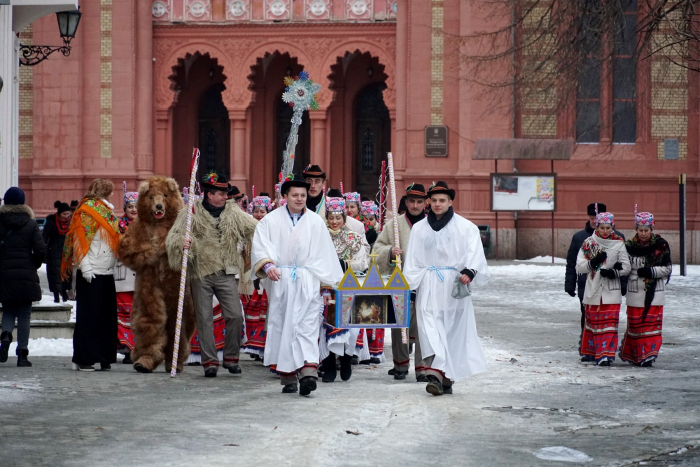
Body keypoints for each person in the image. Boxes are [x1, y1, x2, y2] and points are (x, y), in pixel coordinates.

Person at [251, 174, 343, 396]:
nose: (300, 199)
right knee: (284, 326)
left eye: (303, 195)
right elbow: (261, 247)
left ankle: (309, 370)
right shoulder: (270, 221)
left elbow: (324, 254)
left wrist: (325, 285)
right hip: (281, 281)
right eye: (295, 195)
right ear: (285, 197)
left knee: (308, 325)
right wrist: (268, 265)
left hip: (308, 279)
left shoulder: (315, 222)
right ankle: (288, 375)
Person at [166, 171, 257, 378]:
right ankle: (209, 362)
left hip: (226, 271)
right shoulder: (191, 213)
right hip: (201, 272)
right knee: (204, 318)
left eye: (225, 193)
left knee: (234, 314)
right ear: (209, 194)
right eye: (221, 193)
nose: (225, 197)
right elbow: (173, 237)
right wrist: (183, 243)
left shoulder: (233, 212)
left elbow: (256, 228)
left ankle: (232, 357)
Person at [403, 181, 489, 396]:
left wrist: (470, 271)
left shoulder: (465, 226)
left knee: (451, 331)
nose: (438, 204)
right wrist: (410, 288)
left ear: (450, 201)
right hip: (428, 282)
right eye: (434, 200)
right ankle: (434, 372)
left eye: (442, 200)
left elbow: (474, 251)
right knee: (429, 327)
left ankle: (445, 376)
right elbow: (412, 260)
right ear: (428, 203)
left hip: (453, 284)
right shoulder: (420, 229)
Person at [61, 179, 121, 372]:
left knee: (106, 317)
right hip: (92, 272)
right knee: (89, 317)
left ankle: (104, 356)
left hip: (107, 271)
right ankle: (83, 358)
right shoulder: (87, 211)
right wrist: (84, 268)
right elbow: (80, 240)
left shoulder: (106, 211)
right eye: (109, 191)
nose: (112, 195)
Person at [373, 183, 428, 382]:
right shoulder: (394, 225)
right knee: (400, 324)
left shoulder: (431, 224)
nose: (415, 205)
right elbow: (377, 247)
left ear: (425, 203)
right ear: (405, 201)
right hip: (400, 280)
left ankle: (423, 368)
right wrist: (389, 252)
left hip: (425, 281)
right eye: (411, 201)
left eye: (419, 201)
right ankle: (400, 365)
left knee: (424, 325)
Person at [320, 195, 369, 383]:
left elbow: (364, 262)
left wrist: (345, 264)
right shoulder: (320, 238)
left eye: (338, 217)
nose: (334, 222)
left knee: (349, 326)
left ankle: (347, 358)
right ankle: (329, 363)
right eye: (331, 218)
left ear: (344, 218)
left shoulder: (353, 238)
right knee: (326, 325)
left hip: (348, 286)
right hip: (327, 286)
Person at [575, 210, 631, 366]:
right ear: (597, 226)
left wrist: (614, 272)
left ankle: (606, 355)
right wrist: (592, 263)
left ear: (612, 226)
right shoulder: (589, 242)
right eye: (602, 227)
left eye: (608, 227)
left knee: (609, 325)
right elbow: (579, 267)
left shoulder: (619, 242)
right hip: (593, 289)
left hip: (611, 290)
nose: (605, 231)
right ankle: (592, 352)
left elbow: (626, 267)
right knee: (593, 323)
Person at [0, 187, 46, 367]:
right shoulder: (30, 224)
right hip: (26, 273)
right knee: (25, 314)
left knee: (9, 310)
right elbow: (41, 249)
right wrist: (33, 264)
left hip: (4, 274)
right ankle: (22, 354)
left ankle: (5, 337)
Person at [620, 209, 672, 367]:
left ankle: (649, 354)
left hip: (654, 292)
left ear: (652, 229)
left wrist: (652, 271)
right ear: (636, 229)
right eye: (641, 230)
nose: (643, 234)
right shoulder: (628, 246)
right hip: (635, 291)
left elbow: (667, 268)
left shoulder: (661, 245)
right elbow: (625, 267)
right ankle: (636, 355)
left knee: (652, 326)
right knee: (636, 326)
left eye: (646, 230)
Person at [566, 203, 626, 330]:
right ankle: (585, 344)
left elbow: (624, 263)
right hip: (586, 284)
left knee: (607, 318)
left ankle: (604, 344)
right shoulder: (580, 237)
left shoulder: (618, 239)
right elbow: (572, 263)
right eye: (591, 218)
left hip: (610, 285)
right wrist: (569, 284)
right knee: (587, 316)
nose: (594, 221)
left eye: (596, 218)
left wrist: (624, 284)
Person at [345, 191, 383, 363]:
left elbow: (366, 250)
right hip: (341, 274)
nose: (348, 210)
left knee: (361, 311)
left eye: (352, 207)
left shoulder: (362, 227)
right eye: (346, 207)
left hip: (360, 272)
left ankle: (357, 350)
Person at [241, 193, 274, 360]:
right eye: (256, 211)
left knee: (267, 313)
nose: (259, 214)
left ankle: (265, 347)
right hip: (250, 274)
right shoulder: (248, 229)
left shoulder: (272, 229)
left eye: (263, 211)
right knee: (254, 314)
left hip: (268, 275)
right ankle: (256, 345)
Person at [114, 183, 138, 364]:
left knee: (140, 313)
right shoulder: (118, 226)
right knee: (124, 312)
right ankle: (127, 348)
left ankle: (139, 347)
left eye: (137, 207)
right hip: (123, 276)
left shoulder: (147, 226)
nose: (133, 210)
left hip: (142, 277)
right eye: (130, 207)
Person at [42, 201, 72, 303]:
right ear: (59, 213)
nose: (66, 216)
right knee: (55, 274)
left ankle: (64, 293)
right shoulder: (51, 222)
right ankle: (56, 296)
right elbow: (44, 236)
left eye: (68, 214)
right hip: (53, 251)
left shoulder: (71, 222)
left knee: (65, 273)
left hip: (66, 252)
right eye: (64, 214)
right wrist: (42, 249)